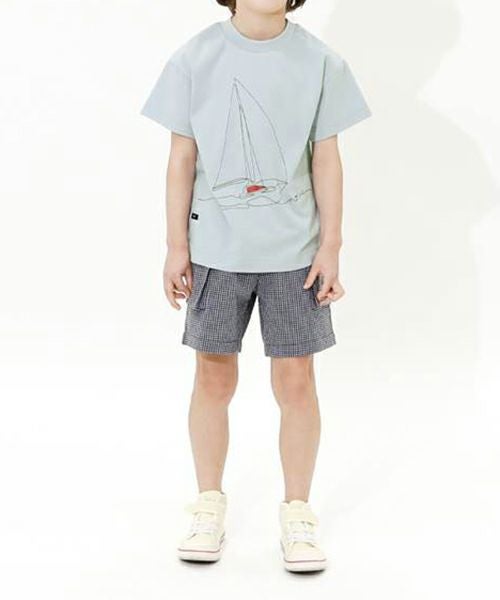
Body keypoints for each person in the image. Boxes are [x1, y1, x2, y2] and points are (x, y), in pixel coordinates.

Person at [141, 0, 371, 572]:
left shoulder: (320, 62)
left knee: (296, 381)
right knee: (213, 376)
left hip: (295, 257)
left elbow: (326, 158)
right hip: (214, 252)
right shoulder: (195, 57)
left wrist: (332, 245)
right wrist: (175, 246)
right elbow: (181, 158)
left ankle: (298, 512)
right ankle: (208, 504)